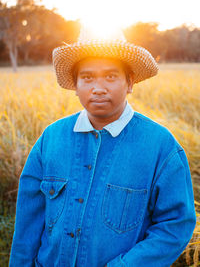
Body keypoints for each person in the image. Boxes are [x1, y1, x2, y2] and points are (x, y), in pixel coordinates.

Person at [9, 27, 196, 267]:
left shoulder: (161, 147)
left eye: (110, 76)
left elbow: (175, 225)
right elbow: (28, 221)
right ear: (75, 86)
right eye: (87, 78)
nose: (98, 87)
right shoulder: (51, 139)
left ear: (130, 82)